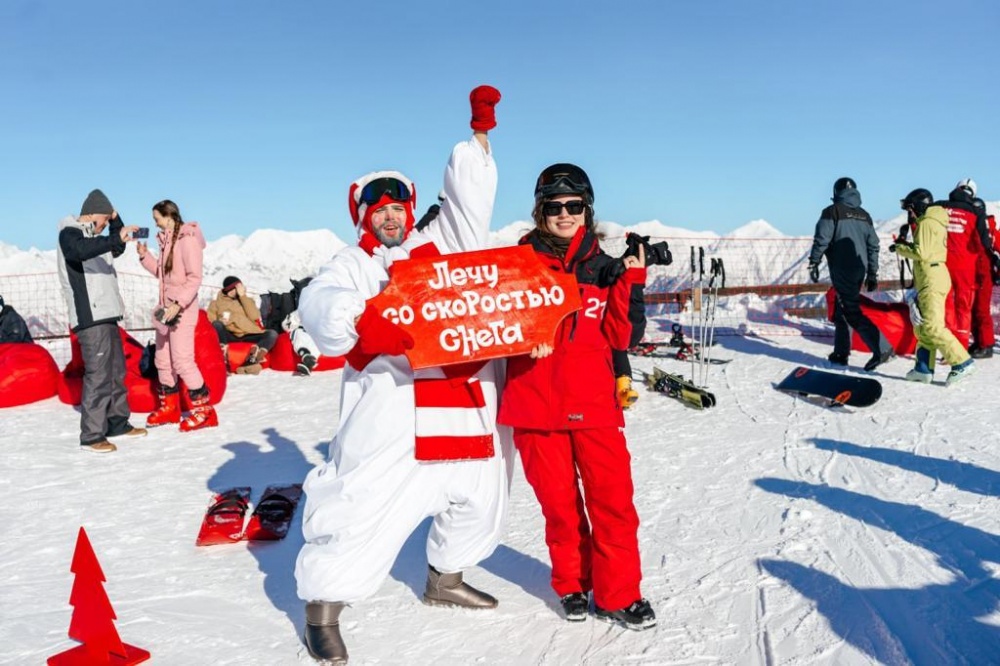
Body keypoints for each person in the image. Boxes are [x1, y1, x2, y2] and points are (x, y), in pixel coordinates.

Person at [294, 85, 508, 664]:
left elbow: (469, 215)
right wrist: (365, 321)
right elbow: (320, 302)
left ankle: (444, 578)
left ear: (409, 211)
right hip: (393, 411)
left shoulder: (436, 245)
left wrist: (478, 136)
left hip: (461, 404)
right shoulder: (353, 263)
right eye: (379, 210)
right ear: (365, 216)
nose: (390, 217)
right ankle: (323, 610)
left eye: (397, 208)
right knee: (359, 502)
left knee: (479, 495)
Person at [498, 163, 656, 630]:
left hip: (593, 405)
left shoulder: (604, 266)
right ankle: (572, 584)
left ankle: (620, 594)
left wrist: (632, 280)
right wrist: (524, 337)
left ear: (586, 210)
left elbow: (622, 334)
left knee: (613, 504)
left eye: (574, 206)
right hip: (535, 408)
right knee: (560, 509)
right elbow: (489, 326)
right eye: (554, 207)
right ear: (539, 211)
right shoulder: (517, 265)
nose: (565, 215)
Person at [57, 189, 146, 453]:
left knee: (117, 371)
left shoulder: (98, 236)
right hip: (90, 315)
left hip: (108, 312)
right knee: (97, 375)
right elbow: (79, 251)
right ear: (92, 214)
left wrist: (117, 222)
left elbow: (116, 247)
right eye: (104, 219)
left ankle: (117, 422)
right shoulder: (70, 232)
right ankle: (92, 434)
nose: (106, 225)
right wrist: (112, 233)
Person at [137, 200, 217, 431]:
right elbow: (163, 275)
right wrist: (145, 257)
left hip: (181, 309)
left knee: (182, 360)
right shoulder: (166, 241)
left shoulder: (187, 240)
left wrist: (178, 304)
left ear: (168, 216)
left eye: (157, 218)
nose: (155, 223)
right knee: (162, 360)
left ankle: (205, 412)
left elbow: (194, 278)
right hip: (165, 309)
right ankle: (170, 408)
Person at [807, 177, 895, 371]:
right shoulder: (864, 215)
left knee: (851, 311)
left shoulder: (832, 212)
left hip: (842, 269)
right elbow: (873, 245)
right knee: (842, 310)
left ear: (836, 191)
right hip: (859, 269)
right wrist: (872, 273)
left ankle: (883, 348)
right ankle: (840, 352)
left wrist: (814, 261)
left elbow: (822, 239)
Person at [892, 188, 975, 385]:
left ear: (919, 206)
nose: (909, 213)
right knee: (922, 327)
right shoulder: (929, 221)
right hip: (931, 276)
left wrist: (900, 248)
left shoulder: (928, 223)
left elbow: (922, 253)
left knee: (932, 326)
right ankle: (923, 369)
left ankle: (962, 362)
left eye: (910, 208)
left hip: (932, 277)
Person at [938, 179, 997, 350]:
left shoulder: (941, 207)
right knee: (966, 309)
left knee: (947, 306)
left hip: (944, 264)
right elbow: (985, 244)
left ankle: (949, 347)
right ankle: (962, 347)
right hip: (968, 269)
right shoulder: (976, 214)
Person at [206, 275, 278, 374]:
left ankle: (252, 360)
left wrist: (243, 297)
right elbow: (211, 322)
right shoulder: (216, 303)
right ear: (228, 290)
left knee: (272, 334)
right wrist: (222, 322)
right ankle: (223, 360)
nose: (236, 291)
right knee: (217, 324)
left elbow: (255, 316)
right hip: (229, 334)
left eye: (238, 288)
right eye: (234, 289)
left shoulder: (247, 300)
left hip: (248, 333)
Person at [969, 199, 998, 359]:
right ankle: (979, 341)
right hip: (973, 274)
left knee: (981, 310)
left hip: (983, 275)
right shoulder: (978, 228)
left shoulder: (988, 230)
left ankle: (987, 345)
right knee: (974, 309)